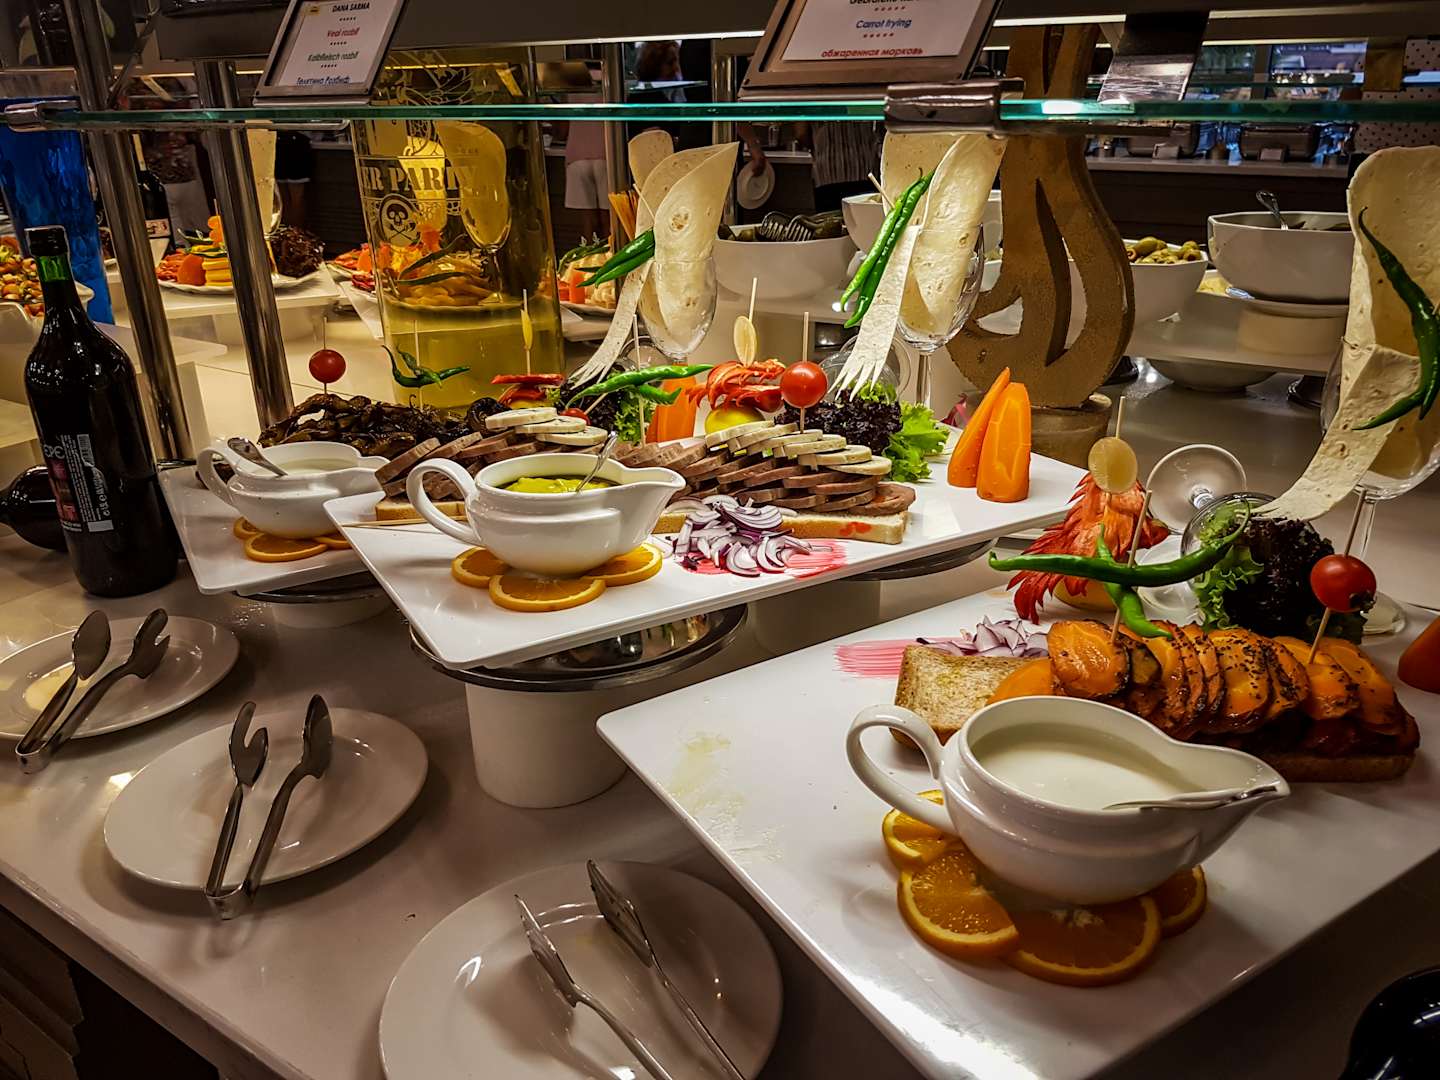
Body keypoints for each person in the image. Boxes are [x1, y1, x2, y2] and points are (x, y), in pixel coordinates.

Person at [741, 121, 882, 212]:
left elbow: (801, 132)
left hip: (827, 171)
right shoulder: (863, 83)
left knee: (831, 232)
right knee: (867, 231)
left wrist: (818, 145)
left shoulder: (809, 84)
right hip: (865, 170)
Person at [274, 130, 313, 229]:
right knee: (292, 199)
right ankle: (294, 233)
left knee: (284, 199)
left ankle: (291, 232)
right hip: (292, 142)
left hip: (279, 139)